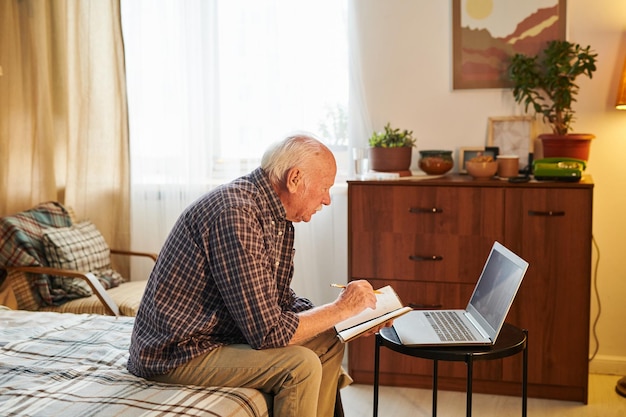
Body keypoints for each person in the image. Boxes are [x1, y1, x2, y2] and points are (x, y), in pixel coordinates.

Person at [127, 133, 390, 417]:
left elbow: (278, 299)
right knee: (300, 365)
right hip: (177, 352)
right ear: (295, 179)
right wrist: (340, 309)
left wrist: (351, 318)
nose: (327, 199)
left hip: (218, 336)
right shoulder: (236, 214)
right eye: (324, 187)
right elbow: (268, 332)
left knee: (329, 341)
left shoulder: (275, 216)